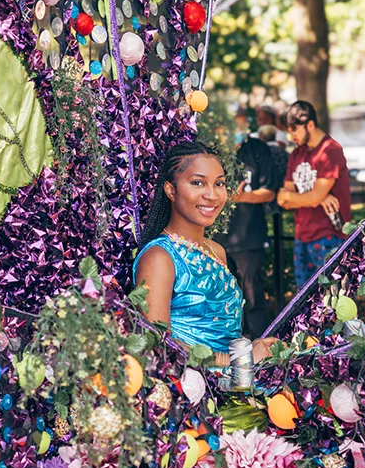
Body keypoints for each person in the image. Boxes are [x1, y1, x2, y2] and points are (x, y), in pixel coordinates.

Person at [134, 142, 276, 365]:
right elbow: (158, 346)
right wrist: (240, 359)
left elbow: (224, 330)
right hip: (194, 391)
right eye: (198, 183)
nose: (212, 195)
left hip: (236, 383)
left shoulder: (216, 250)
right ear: (171, 190)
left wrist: (253, 351)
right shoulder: (159, 257)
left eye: (219, 183)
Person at [276, 101, 352, 290]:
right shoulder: (297, 153)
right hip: (301, 236)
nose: (291, 135)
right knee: (304, 300)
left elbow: (296, 196)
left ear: (309, 124)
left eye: (294, 130)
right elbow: (282, 199)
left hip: (329, 236)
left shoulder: (330, 150)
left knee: (331, 299)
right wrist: (317, 197)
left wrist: (312, 197)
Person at [219, 112, 280, 338]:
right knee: (224, 294)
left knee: (252, 294)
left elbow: (269, 192)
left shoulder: (257, 150)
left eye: (240, 126)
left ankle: (259, 340)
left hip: (248, 236)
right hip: (218, 238)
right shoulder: (214, 152)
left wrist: (241, 197)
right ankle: (228, 341)